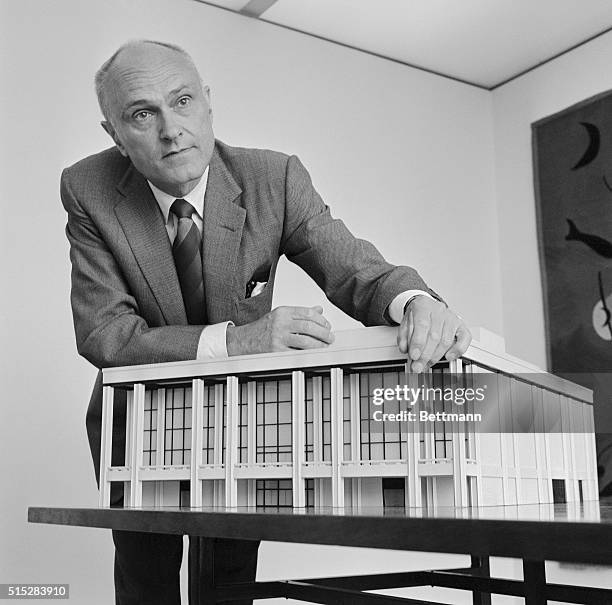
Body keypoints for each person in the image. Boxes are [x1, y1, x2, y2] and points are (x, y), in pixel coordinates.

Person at [60, 39, 471, 605]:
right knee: (146, 585)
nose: (171, 129)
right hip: (139, 422)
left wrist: (416, 303)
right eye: (141, 113)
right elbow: (106, 335)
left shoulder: (272, 178)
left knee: (229, 588)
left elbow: (355, 269)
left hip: (246, 421)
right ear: (114, 134)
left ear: (207, 102)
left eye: (182, 102)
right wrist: (238, 340)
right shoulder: (89, 187)